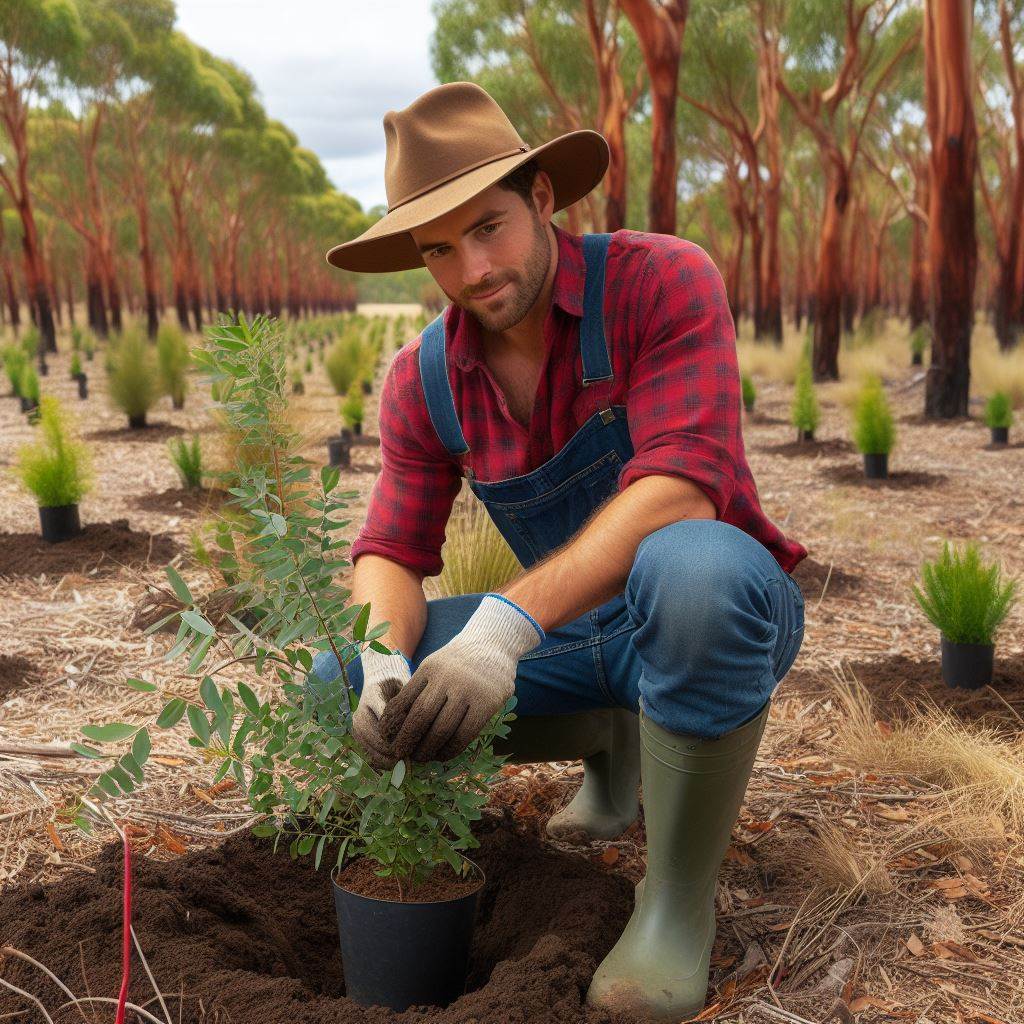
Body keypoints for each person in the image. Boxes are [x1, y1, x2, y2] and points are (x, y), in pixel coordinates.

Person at [310, 80, 807, 1021]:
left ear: (544, 197)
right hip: (575, 639)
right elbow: (389, 549)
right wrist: (382, 655)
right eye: (439, 250)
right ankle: (613, 752)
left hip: (711, 612)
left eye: (488, 227)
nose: (473, 270)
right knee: (334, 682)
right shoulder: (424, 380)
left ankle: (673, 905)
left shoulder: (661, 279)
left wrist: (501, 629)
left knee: (689, 575)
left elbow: (683, 486)